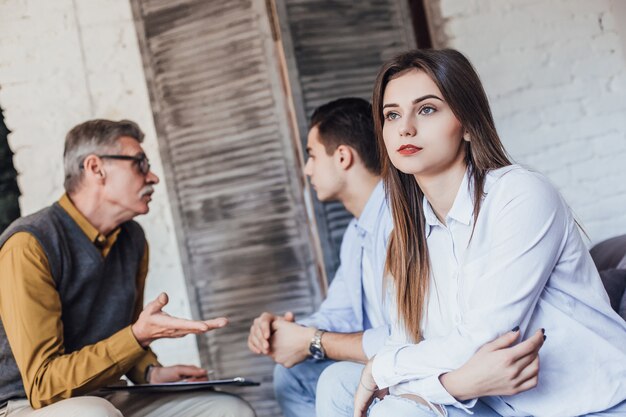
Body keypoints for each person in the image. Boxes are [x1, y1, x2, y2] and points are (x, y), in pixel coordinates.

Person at [354, 48, 626, 417]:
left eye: (427, 109)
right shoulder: (407, 241)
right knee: (343, 385)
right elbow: (406, 355)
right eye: (392, 115)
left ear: (467, 124)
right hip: (494, 405)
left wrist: (381, 368)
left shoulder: (519, 195)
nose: (405, 127)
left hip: (594, 406)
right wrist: (457, 384)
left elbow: (484, 338)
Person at [247, 98, 545, 417]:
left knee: (343, 380)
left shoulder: (406, 219)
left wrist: (314, 341)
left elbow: (416, 336)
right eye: (393, 116)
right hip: (403, 361)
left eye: (311, 155)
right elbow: (340, 312)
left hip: (428, 362)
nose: (307, 170)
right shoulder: (356, 234)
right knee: (294, 375)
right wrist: (287, 332)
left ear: (344, 157)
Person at [0, 120, 255, 417]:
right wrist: (137, 337)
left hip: (106, 394)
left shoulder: (132, 239)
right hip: (23, 405)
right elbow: (43, 386)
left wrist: (151, 373)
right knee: (94, 414)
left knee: (227, 409)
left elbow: (124, 332)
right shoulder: (29, 245)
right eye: (140, 164)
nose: (153, 177)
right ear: (96, 168)